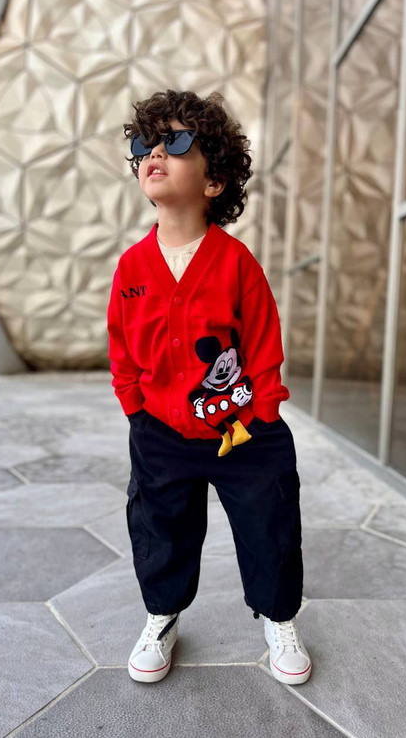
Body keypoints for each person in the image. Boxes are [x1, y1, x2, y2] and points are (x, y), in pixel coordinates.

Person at [107, 89, 311, 686]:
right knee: (160, 527)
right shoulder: (132, 268)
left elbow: (264, 341)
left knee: (269, 521)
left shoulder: (237, 262)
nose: (155, 153)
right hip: (161, 431)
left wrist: (265, 412)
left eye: (175, 143)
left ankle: (278, 616)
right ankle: (163, 613)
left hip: (242, 427)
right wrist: (134, 406)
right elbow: (122, 343)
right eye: (145, 144)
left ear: (214, 180)